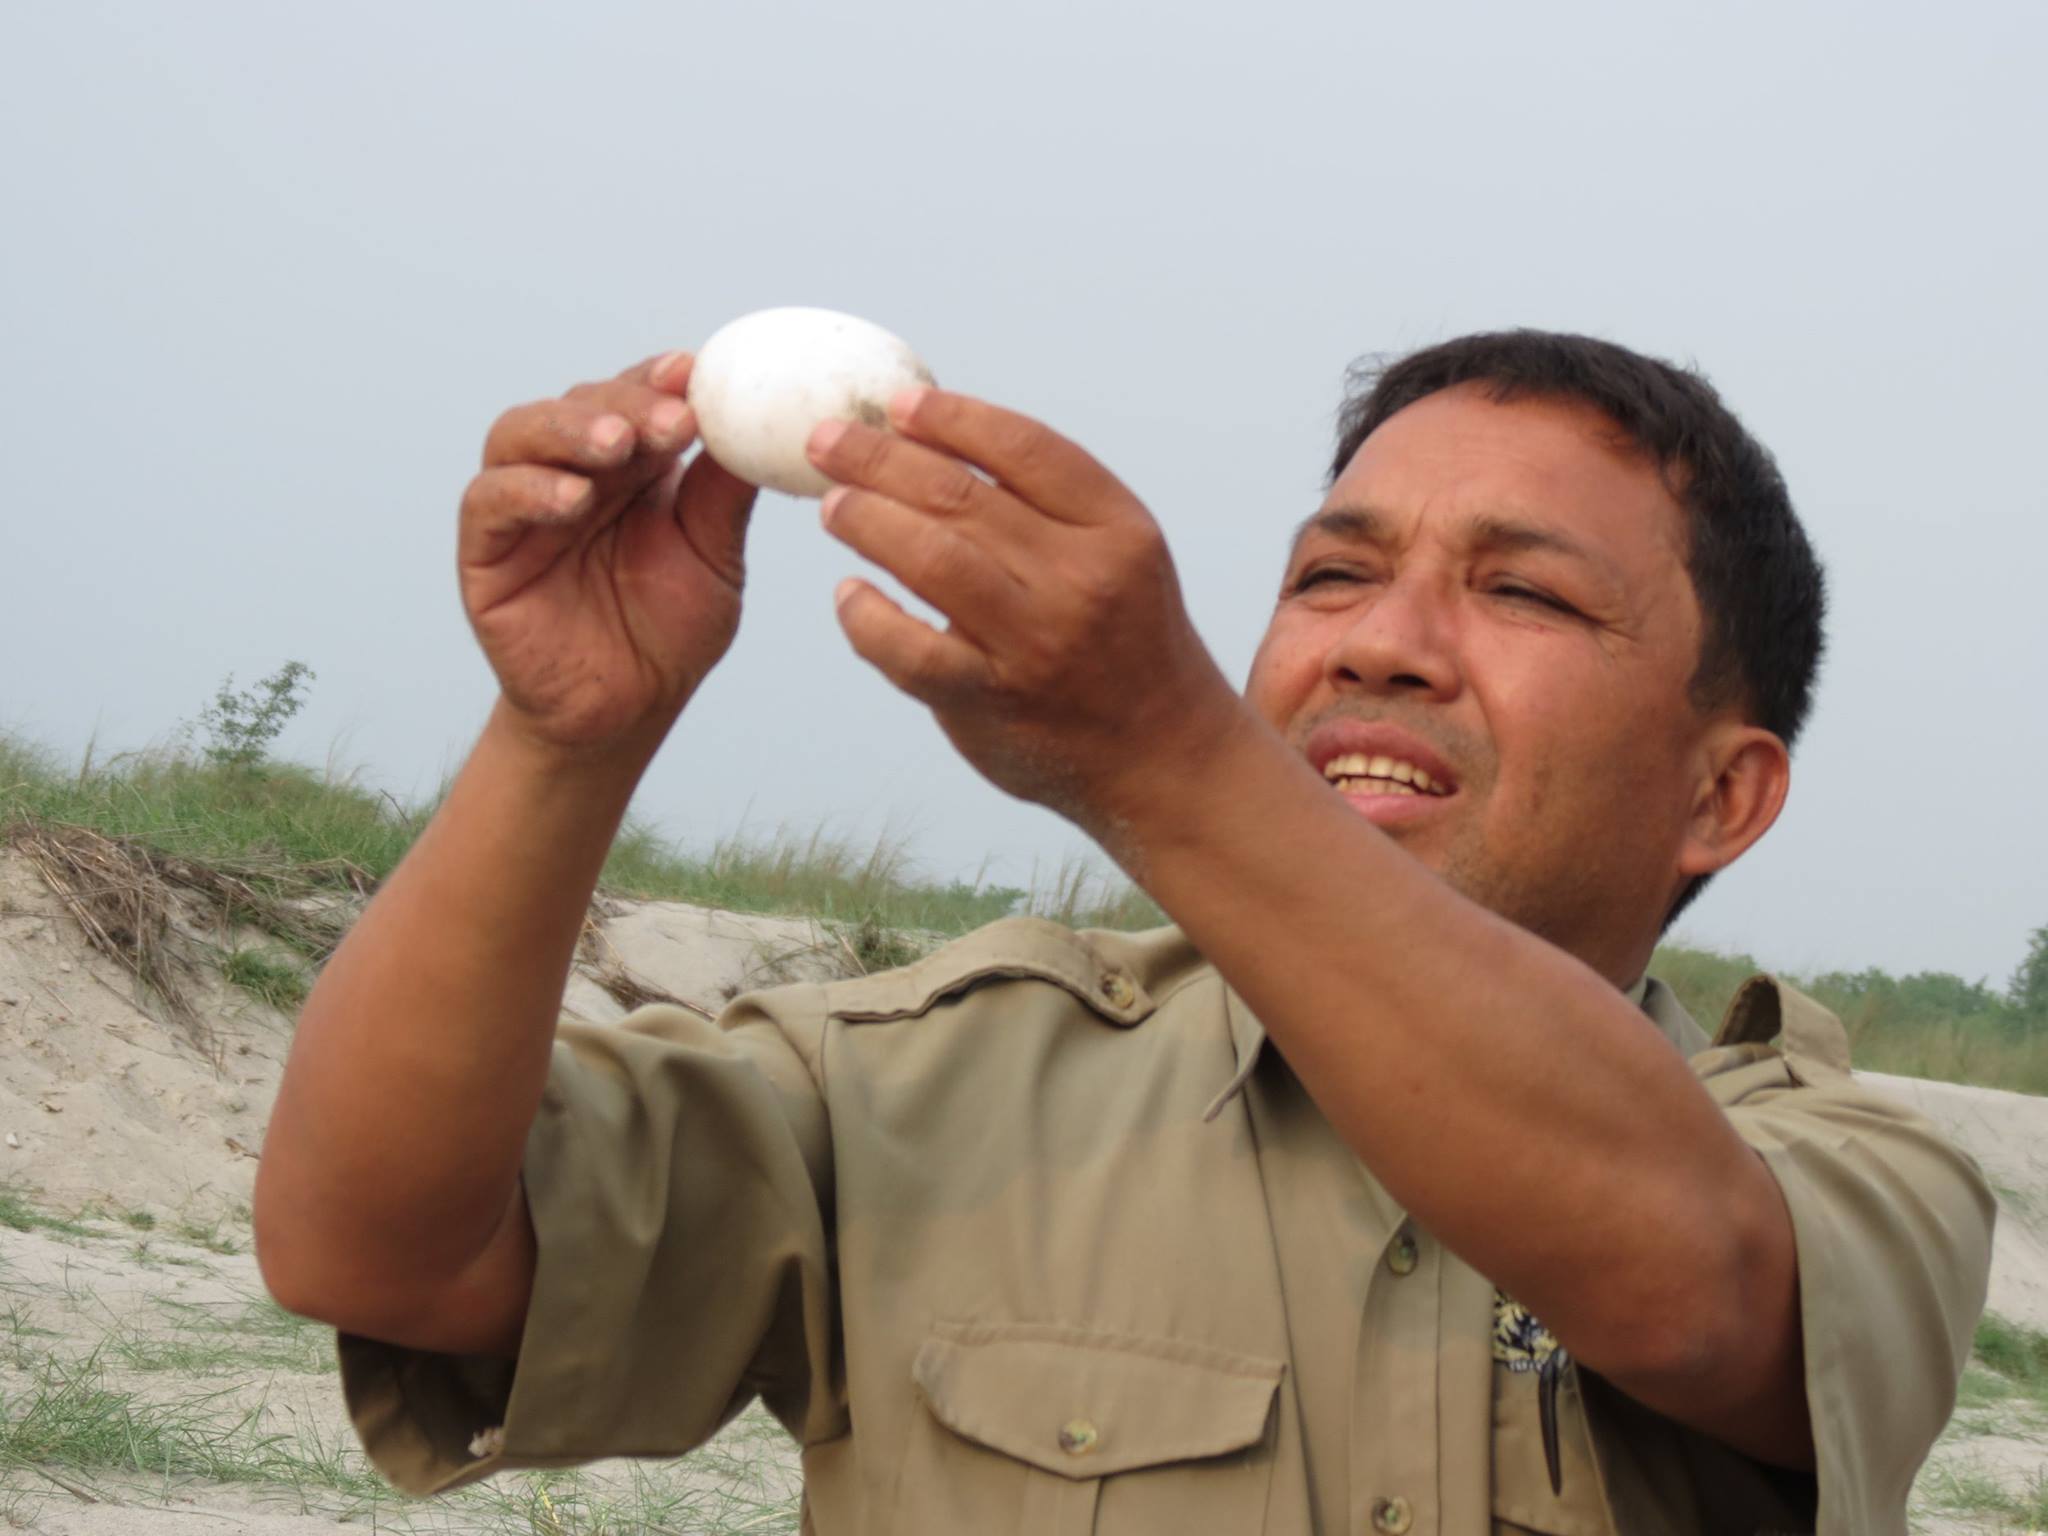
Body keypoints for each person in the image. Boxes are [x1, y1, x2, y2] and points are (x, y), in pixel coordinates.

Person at [253, 330, 1995, 1535]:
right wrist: (564, 741)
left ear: (1723, 796)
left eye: (1522, 590)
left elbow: (1692, 1293)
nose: (1378, 643)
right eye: (1331, 574)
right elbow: (382, 1254)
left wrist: (1163, 756)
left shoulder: (1840, 1169)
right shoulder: (932, 1082)